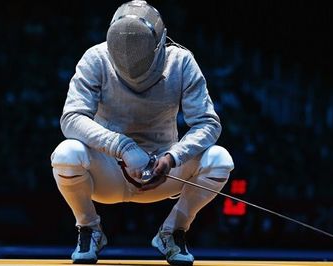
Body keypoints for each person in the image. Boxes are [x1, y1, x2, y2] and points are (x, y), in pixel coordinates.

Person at [50, 1, 234, 265]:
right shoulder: (96, 58)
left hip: (164, 173)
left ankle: (173, 232)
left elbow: (208, 123)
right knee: (66, 154)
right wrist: (122, 147)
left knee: (220, 160)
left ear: (160, 41)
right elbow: (71, 118)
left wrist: (172, 158)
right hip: (109, 173)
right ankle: (89, 227)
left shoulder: (181, 62)